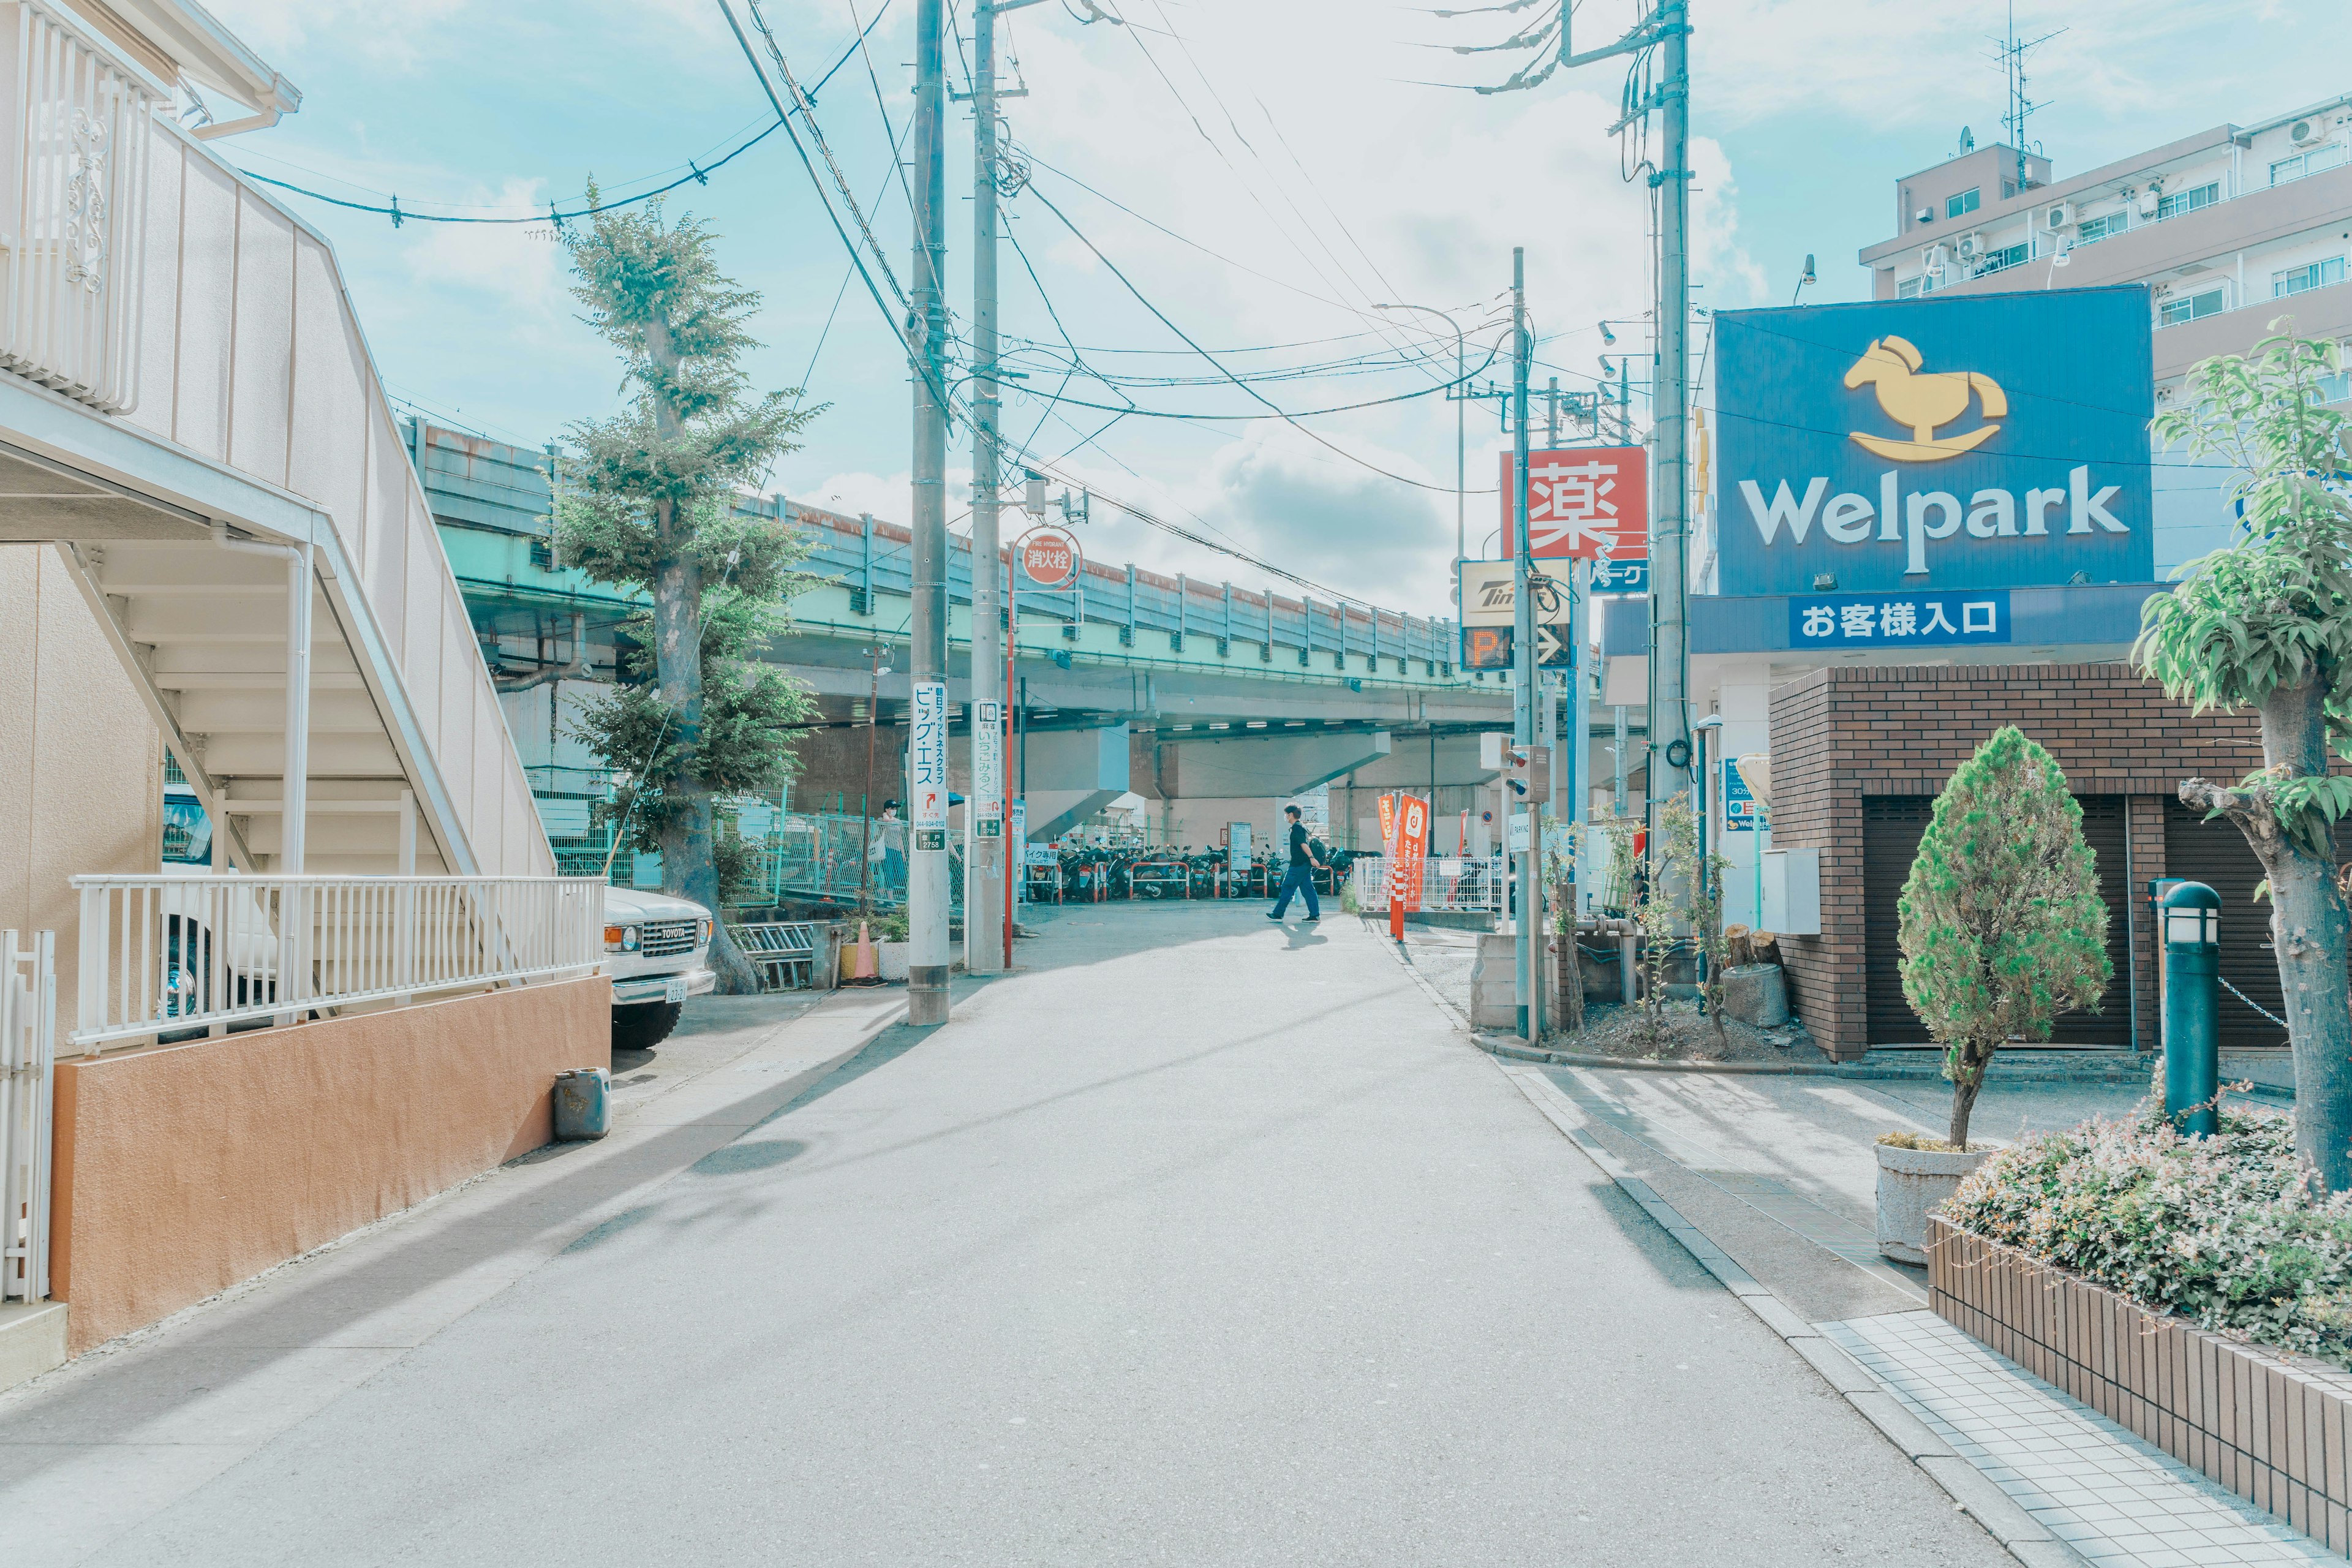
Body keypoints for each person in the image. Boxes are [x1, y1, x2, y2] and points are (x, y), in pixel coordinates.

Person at [1268, 804, 1325, 923]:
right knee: (1308, 889)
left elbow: (1303, 844)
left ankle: (1278, 914)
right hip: (1303, 864)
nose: (1285, 817)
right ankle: (1315, 915)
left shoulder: (1297, 828)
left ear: (1290, 815)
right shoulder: (1302, 827)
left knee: (1287, 887)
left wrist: (1312, 858)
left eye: (1286, 814)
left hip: (1298, 865)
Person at [876, 801, 907, 894]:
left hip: (897, 850)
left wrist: (903, 853)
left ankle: (881, 890)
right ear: (887, 809)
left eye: (895, 809)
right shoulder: (881, 819)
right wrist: (885, 814)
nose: (894, 810)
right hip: (887, 849)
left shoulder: (898, 822)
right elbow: (886, 820)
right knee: (889, 873)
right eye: (892, 809)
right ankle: (891, 899)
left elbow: (900, 838)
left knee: (900, 874)